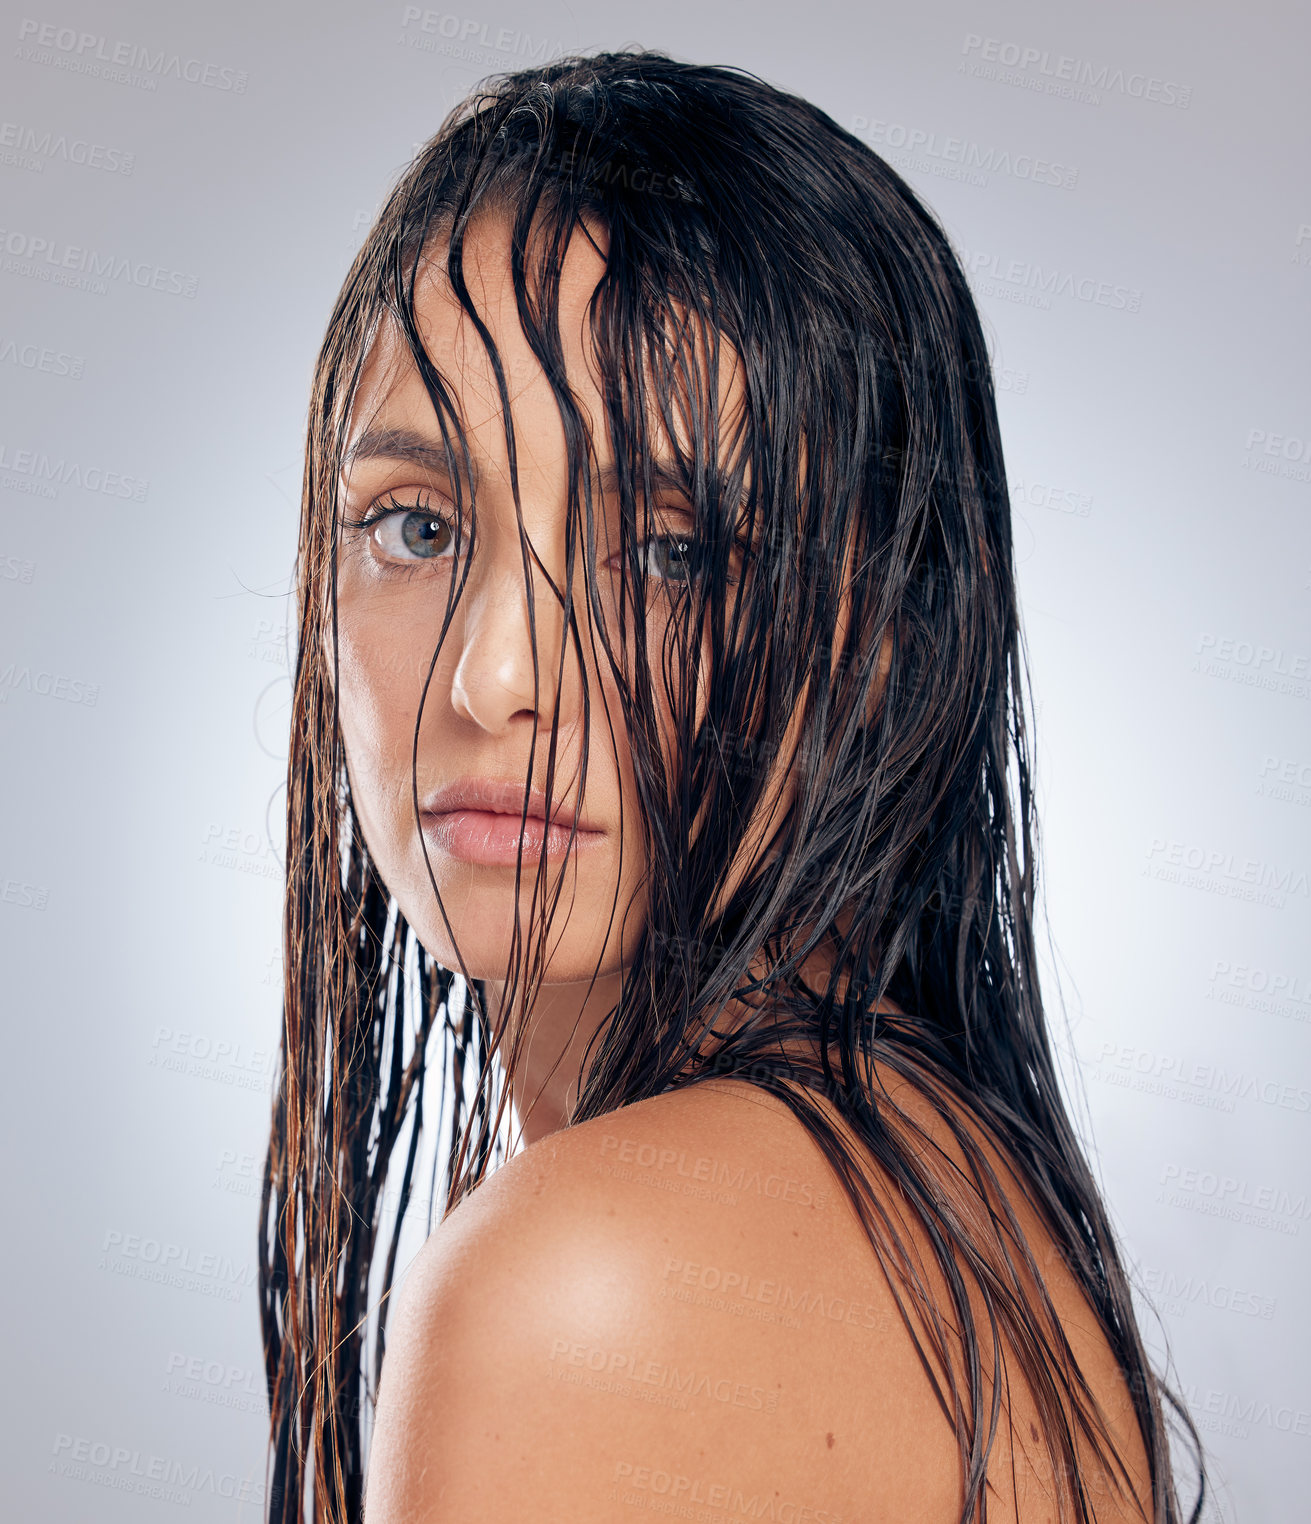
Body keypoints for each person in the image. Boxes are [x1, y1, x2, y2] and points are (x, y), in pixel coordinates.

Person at [258, 48, 1205, 1524]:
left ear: (887, 641)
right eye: (419, 526)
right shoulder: (962, 1208)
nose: (494, 677)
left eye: (673, 555)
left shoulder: (582, 1286)